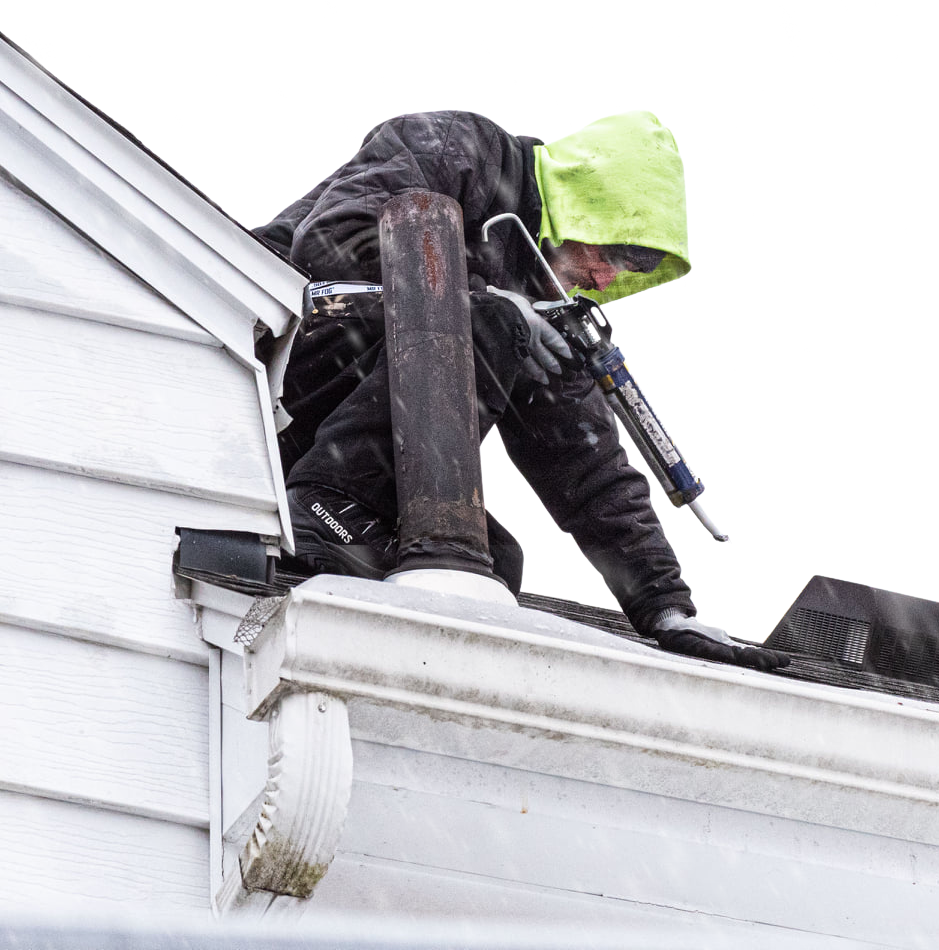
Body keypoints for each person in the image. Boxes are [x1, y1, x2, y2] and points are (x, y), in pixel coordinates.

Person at [257, 108, 787, 672]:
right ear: (590, 202)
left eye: (636, 267)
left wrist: (665, 608)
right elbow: (334, 245)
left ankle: (354, 559)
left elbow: (587, 465)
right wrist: (491, 300)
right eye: (617, 253)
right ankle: (326, 504)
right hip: (268, 375)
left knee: (489, 565)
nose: (608, 280)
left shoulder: (545, 307)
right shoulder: (459, 151)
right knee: (485, 320)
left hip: (333, 428)